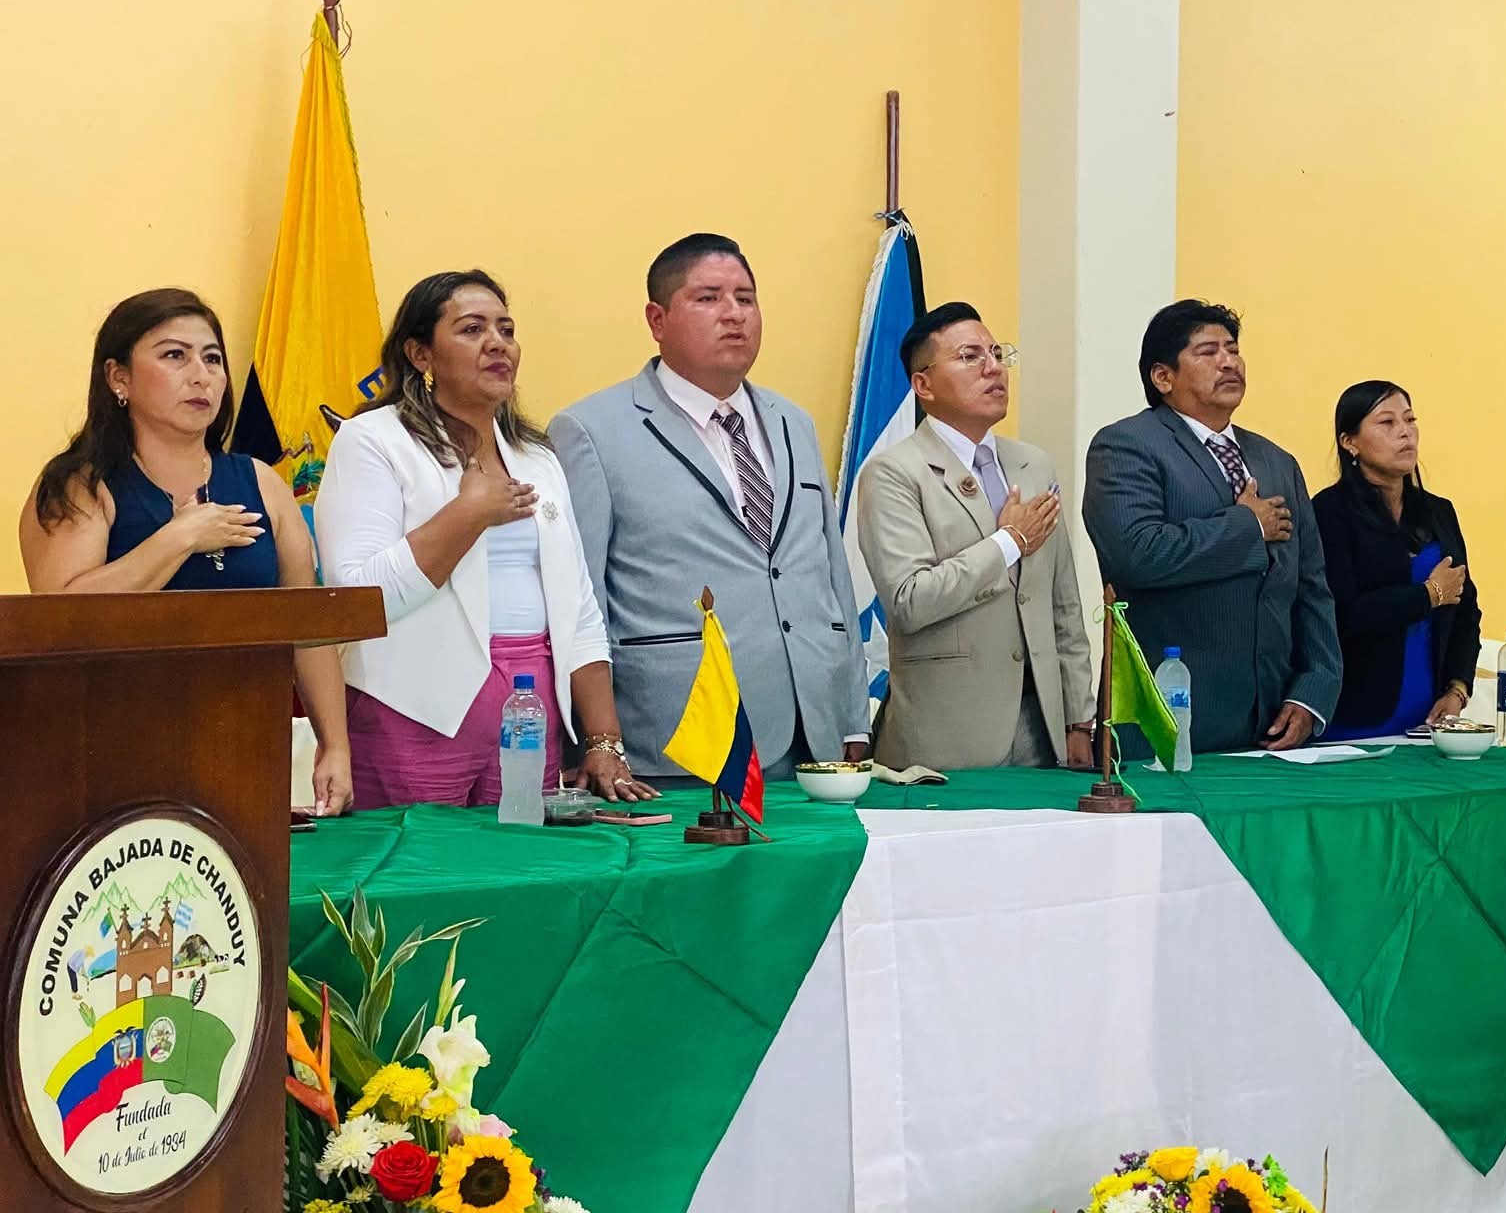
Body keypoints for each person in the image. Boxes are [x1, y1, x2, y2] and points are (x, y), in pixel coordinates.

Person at [314, 271, 655, 809]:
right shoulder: (374, 440)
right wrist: (468, 514)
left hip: (529, 708)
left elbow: (579, 607)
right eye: (472, 329)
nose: (498, 343)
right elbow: (356, 598)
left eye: (506, 329)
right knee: (418, 861)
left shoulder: (537, 458)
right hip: (412, 712)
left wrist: (603, 740)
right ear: (420, 354)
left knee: (520, 858)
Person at [20, 287, 352, 814]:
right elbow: (58, 620)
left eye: (213, 359)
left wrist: (333, 743)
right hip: (104, 752)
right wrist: (180, 537)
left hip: (246, 744)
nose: (202, 376)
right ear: (119, 378)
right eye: (175, 355)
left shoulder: (262, 484)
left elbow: (307, 625)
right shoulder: (80, 485)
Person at [552, 233, 869, 782]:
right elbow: (581, 599)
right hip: (678, 738)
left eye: (746, 298)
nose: (734, 314)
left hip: (814, 736)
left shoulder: (792, 422)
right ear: (657, 320)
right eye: (708, 298)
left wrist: (854, 717)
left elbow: (833, 576)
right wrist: (597, 740)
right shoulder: (592, 431)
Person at [1082, 299, 1340, 754]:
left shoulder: (1277, 461)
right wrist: (1247, 526)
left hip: (1272, 722)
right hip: (1168, 724)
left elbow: (1312, 587)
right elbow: (1135, 554)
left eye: (1233, 350)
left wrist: (1313, 692)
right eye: (1208, 352)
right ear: (1163, 377)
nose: (1228, 362)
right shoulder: (1126, 446)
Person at [856, 302, 1095, 771]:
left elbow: (1062, 602)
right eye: (970, 356)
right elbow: (910, 600)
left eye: (997, 354)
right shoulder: (894, 473)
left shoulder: (1033, 465)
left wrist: (1077, 718)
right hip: (947, 737)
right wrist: (1008, 542)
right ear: (923, 385)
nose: (993, 368)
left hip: (1043, 732)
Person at [1311, 380, 1481, 737]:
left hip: (1430, 720)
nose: (1405, 432)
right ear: (1350, 442)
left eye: (1410, 420)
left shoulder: (1438, 511)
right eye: (1387, 423)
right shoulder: (1330, 511)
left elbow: (1466, 610)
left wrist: (1457, 688)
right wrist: (1428, 595)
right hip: (1354, 715)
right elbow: (1342, 615)